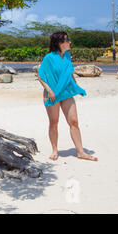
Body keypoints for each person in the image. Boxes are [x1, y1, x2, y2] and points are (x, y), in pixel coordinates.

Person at [36, 31, 98, 161]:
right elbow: (40, 75)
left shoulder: (68, 55)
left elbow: (69, 73)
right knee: (54, 122)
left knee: (74, 121)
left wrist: (76, 87)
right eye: (66, 40)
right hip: (52, 94)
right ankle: (54, 150)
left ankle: (80, 151)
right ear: (59, 43)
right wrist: (49, 91)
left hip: (66, 92)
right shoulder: (49, 58)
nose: (69, 42)